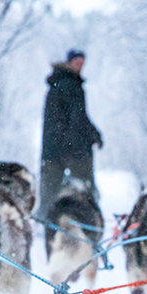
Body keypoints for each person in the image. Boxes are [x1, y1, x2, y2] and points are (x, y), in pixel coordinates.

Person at [38, 49, 103, 215]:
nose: (80, 66)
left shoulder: (57, 83)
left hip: (54, 148)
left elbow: (76, 117)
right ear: (69, 63)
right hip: (73, 148)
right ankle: (88, 224)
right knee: (84, 190)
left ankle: (46, 222)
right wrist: (89, 137)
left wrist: (93, 134)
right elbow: (77, 118)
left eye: (82, 63)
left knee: (50, 190)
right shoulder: (71, 85)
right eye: (77, 62)